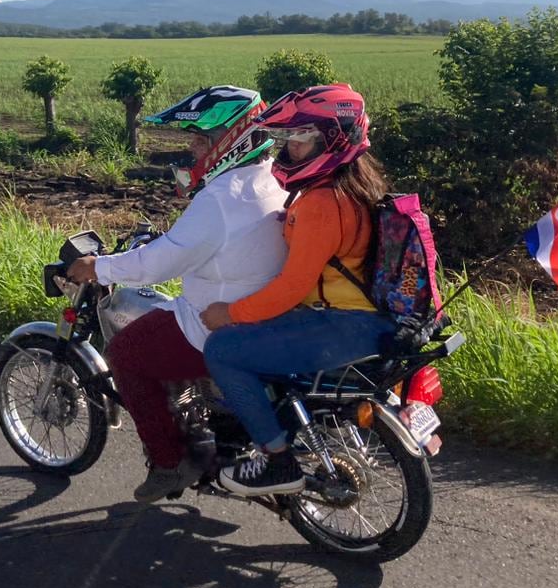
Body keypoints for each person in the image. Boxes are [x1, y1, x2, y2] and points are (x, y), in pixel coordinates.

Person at [65, 86, 287, 503]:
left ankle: (169, 463)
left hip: (216, 322)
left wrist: (100, 266)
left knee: (127, 354)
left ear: (232, 140)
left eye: (202, 139)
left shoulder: (220, 198)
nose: (192, 147)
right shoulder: (275, 177)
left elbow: (159, 264)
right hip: (269, 312)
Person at [201, 84, 396, 497]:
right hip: (368, 321)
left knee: (222, 350)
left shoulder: (322, 203)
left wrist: (229, 313)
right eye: (285, 140)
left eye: (299, 140)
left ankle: (277, 460)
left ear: (333, 140)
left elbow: (291, 288)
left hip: (340, 326)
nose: (288, 151)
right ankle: (274, 428)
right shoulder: (355, 185)